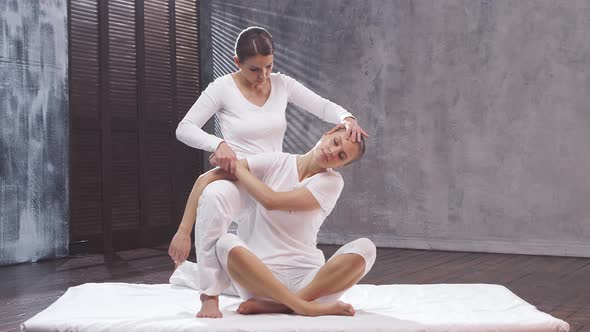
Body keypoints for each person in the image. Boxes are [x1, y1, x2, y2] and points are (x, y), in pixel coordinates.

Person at [168, 26, 368, 317]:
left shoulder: (282, 84)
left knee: (262, 243)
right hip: (239, 174)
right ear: (236, 62)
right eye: (254, 69)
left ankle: (278, 296)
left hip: (276, 175)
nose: (263, 77)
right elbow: (184, 128)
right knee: (214, 196)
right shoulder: (222, 89)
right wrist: (218, 143)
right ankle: (209, 295)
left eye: (269, 66)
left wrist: (346, 117)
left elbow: (323, 107)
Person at [190, 128, 376, 317]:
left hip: (309, 281)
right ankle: (301, 305)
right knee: (225, 242)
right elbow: (205, 179)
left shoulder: (331, 182)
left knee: (366, 248)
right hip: (259, 279)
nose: (332, 152)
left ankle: (284, 306)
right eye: (335, 142)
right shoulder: (277, 161)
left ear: (342, 165)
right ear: (327, 134)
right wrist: (182, 231)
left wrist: (236, 166)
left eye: (341, 156)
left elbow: (272, 201)